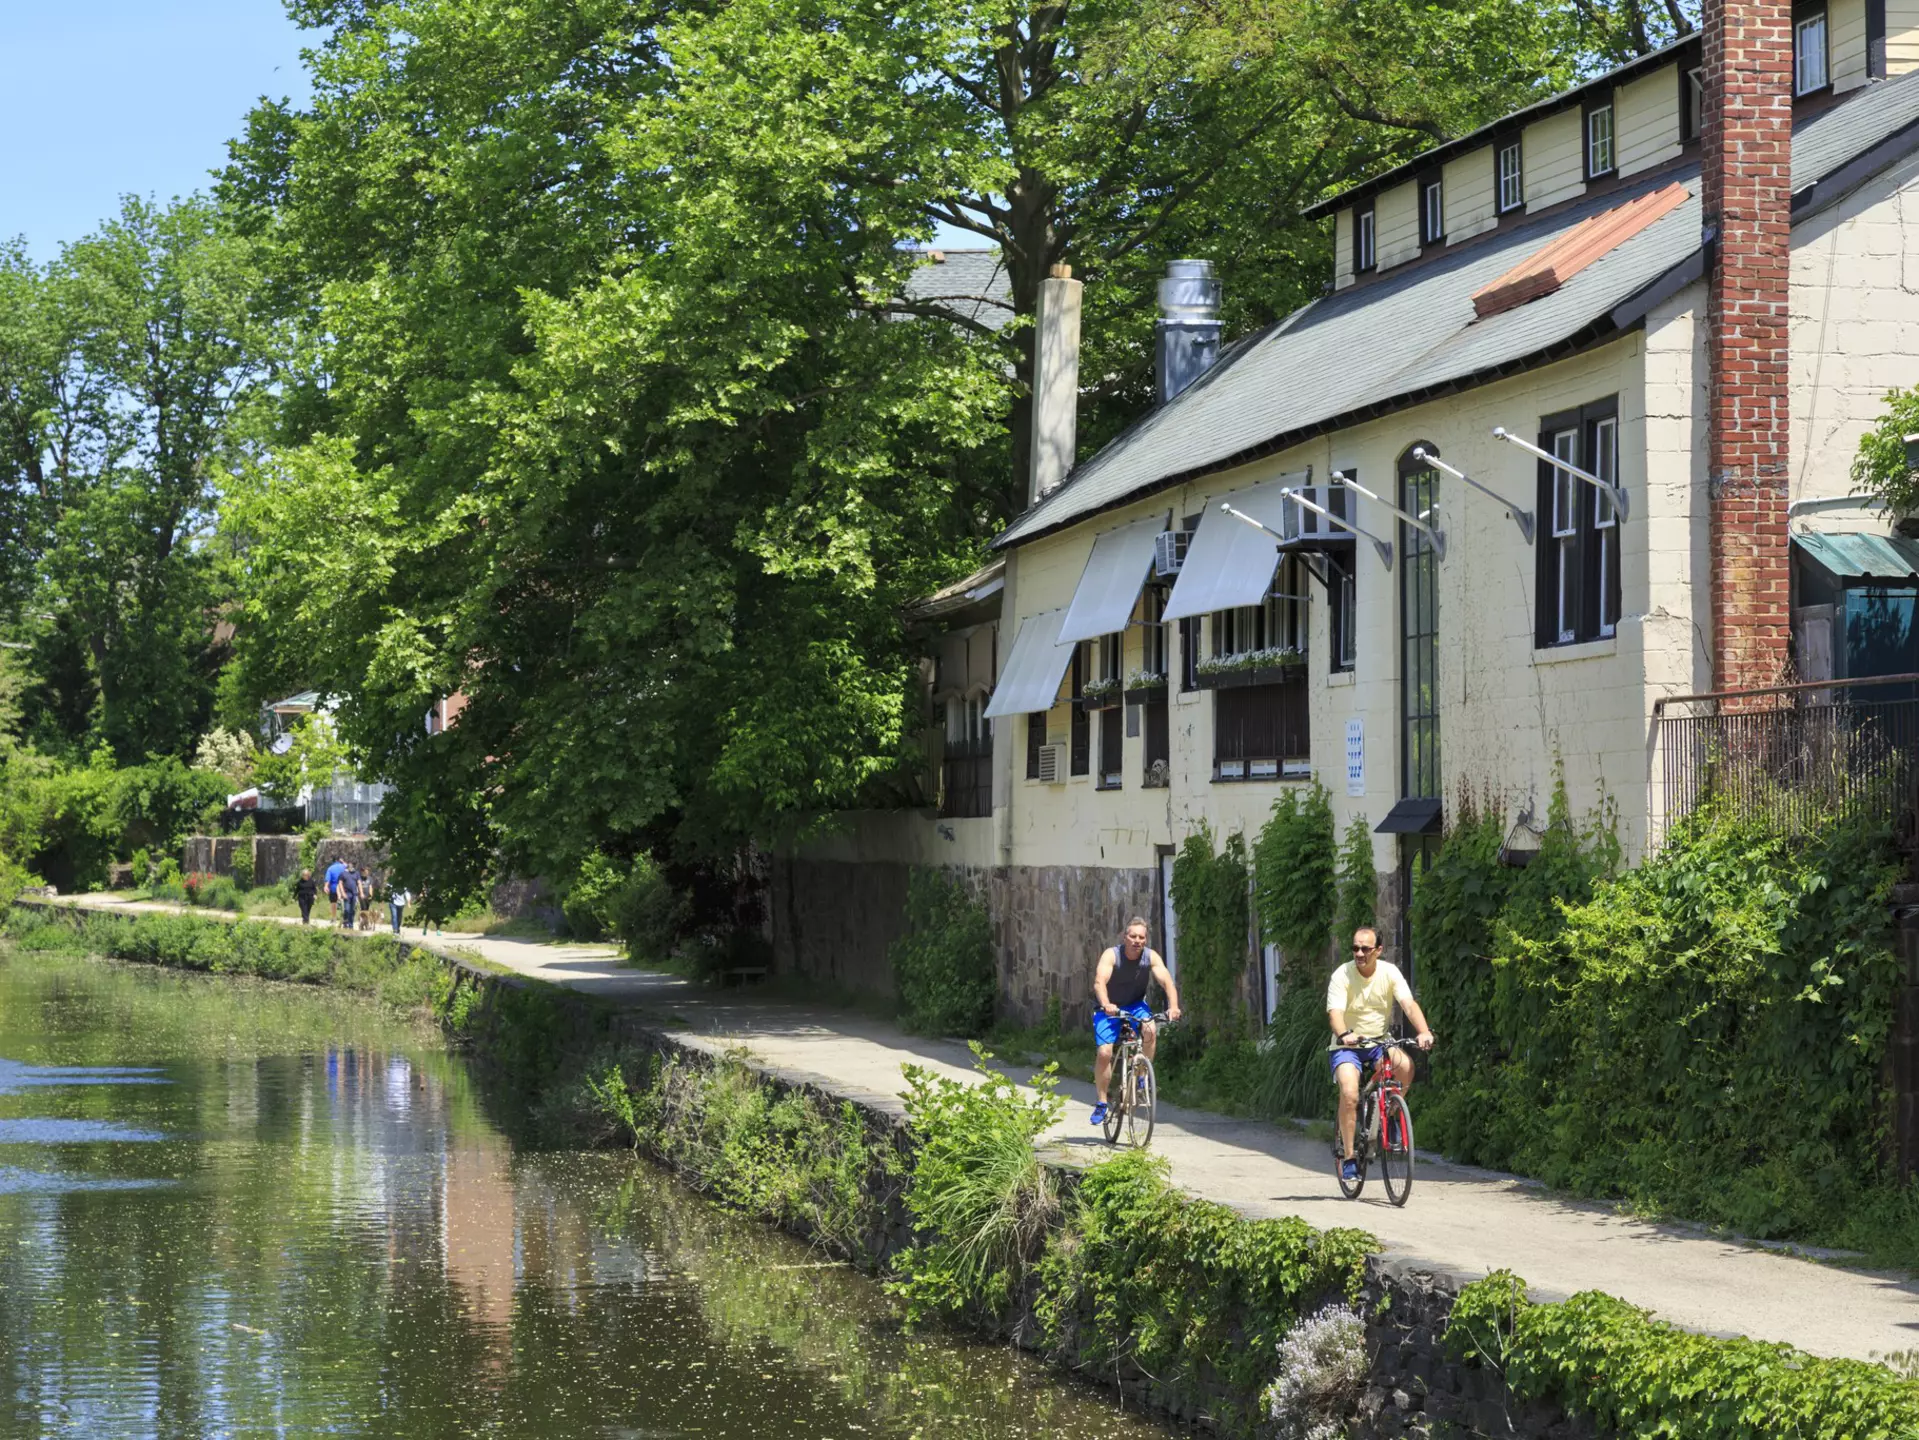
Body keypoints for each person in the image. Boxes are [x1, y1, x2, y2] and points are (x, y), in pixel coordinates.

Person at [1327, 926, 1435, 1185]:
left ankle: (1391, 1112)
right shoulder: (1342, 974)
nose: (1359, 953)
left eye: (1365, 948)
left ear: (1378, 950)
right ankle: (1350, 1157)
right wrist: (1344, 1034)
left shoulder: (1389, 973)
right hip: (1347, 1045)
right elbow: (1335, 1013)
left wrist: (1424, 1032)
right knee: (1351, 1093)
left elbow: (1409, 1005)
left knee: (1405, 1066)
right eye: (1355, 948)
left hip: (1377, 1042)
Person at [1089, 917, 1182, 1128]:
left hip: (1135, 1005)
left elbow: (1166, 981)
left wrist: (1173, 1006)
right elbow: (1099, 981)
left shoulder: (1150, 957)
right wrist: (1106, 1003)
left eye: (1141, 937)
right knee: (1105, 1053)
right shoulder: (1112, 955)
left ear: (1145, 939)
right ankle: (1102, 1102)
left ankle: (1141, 1075)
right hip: (1109, 1008)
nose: (1137, 941)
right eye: (1133, 936)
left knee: (1150, 1029)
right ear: (1125, 937)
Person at [337, 866, 361, 930]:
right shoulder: (343, 874)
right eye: (350, 866)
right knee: (347, 910)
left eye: (353, 865)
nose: (352, 867)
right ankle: (345, 922)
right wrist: (342, 893)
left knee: (352, 910)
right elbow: (340, 883)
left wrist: (361, 893)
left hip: (354, 894)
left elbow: (359, 883)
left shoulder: (356, 873)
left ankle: (351, 925)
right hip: (346, 894)